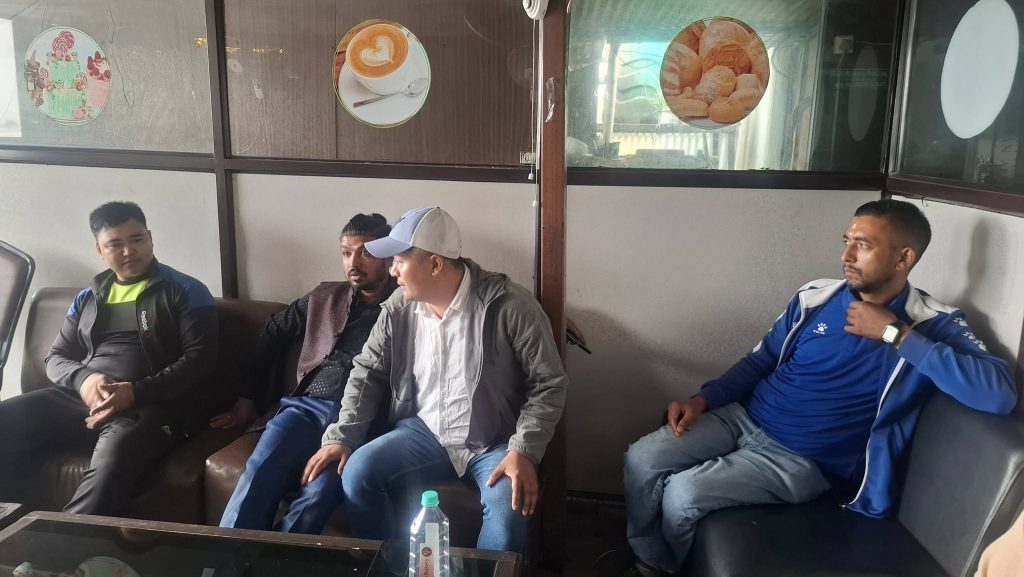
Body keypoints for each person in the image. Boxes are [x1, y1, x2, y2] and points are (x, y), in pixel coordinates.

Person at [621, 199, 1017, 576]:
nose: (846, 256)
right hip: (742, 419)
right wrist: (703, 399)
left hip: (801, 461)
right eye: (846, 241)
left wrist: (894, 333)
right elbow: (761, 359)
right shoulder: (815, 296)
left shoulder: (932, 322)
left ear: (903, 258)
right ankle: (649, 560)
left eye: (863, 245)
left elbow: (999, 394)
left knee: (683, 493)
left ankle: (663, 569)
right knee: (643, 458)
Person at [300, 206, 568, 553]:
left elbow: (548, 383)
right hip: (425, 432)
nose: (392, 271)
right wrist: (343, 435)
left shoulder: (510, 306)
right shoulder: (398, 308)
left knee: (507, 511)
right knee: (358, 472)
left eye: (399, 261)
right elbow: (368, 371)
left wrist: (524, 450)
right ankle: (394, 568)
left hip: (494, 440)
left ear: (435, 264)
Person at [0, 201, 218, 515]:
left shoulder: (185, 290)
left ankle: (59, 541)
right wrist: (85, 379)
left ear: (150, 238)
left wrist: (134, 392)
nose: (129, 251)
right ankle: (11, 531)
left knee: (115, 457)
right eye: (115, 244)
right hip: (82, 398)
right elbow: (56, 357)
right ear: (100, 250)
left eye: (137, 239)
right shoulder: (88, 296)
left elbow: (200, 361)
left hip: (151, 404)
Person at [215, 213, 396, 533]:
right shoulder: (324, 297)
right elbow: (272, 332)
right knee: (259, 472)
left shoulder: (407, 305)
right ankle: (226, 557)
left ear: (389, 257)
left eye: (366, 253)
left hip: (363, 420)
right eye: (346, 253)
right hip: (305, 407)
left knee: (319, 494)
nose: (353, 262)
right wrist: (247, 397)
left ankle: (280, 557)